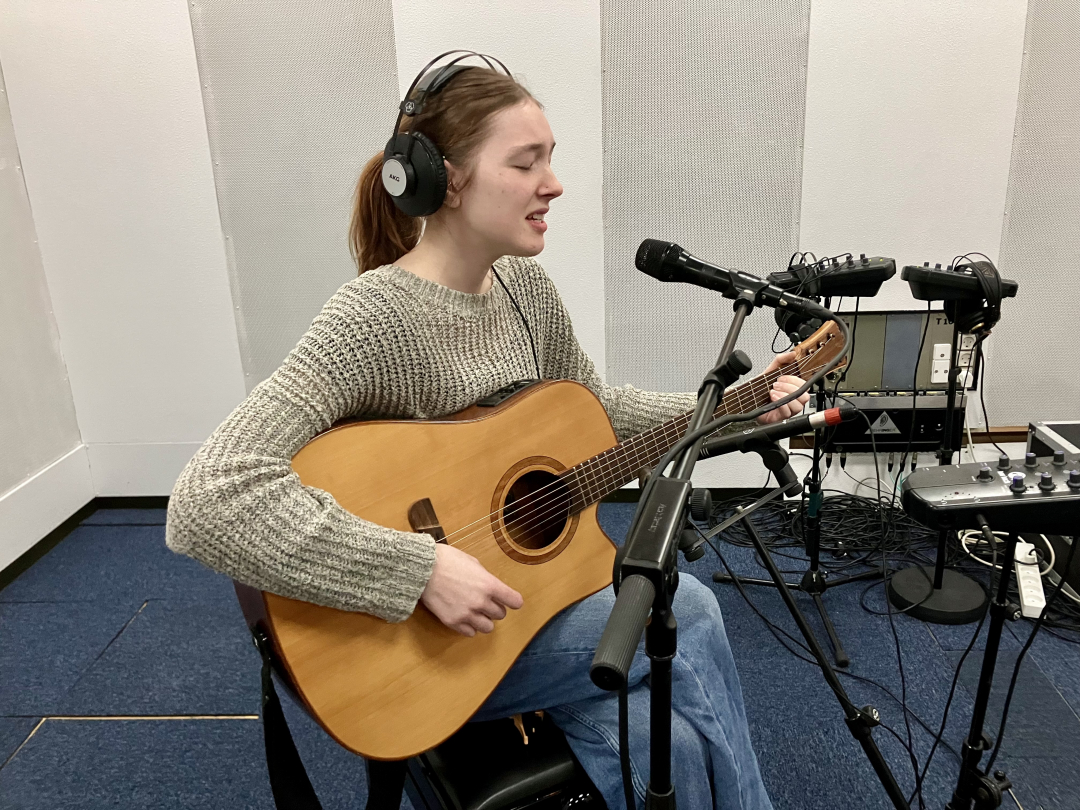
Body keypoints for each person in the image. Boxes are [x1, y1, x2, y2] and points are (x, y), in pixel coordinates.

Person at [166, 58, 810, 809]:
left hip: (526, 607)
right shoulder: (373, 319)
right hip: (424, 638)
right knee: (687, 611)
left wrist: (734, 405)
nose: (553, 184)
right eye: (525, 162)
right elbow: (207, 499)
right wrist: (418, 570)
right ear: (446, 181)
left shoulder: (524, 288)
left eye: (551, 159)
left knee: (667, 742)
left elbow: (594, 413)